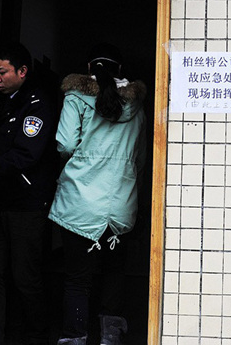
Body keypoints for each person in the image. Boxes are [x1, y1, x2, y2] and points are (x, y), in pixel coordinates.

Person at [49, 43, 147, 345]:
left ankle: (74, 336)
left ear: (89, 68)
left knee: (77, 277)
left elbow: (65, 144)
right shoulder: (138, 106)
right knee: (114, 271)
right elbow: (141, 159)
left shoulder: (75, 98)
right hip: (121, 202)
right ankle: (110, 338)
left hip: (79, 201)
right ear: (121, 70)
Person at [0, 42, 58, 345]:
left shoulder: (37, 104)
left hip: (26, 204)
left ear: (22, 71)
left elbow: (25, 154)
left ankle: (36, 336)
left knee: (26, 277)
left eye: (2, 72)